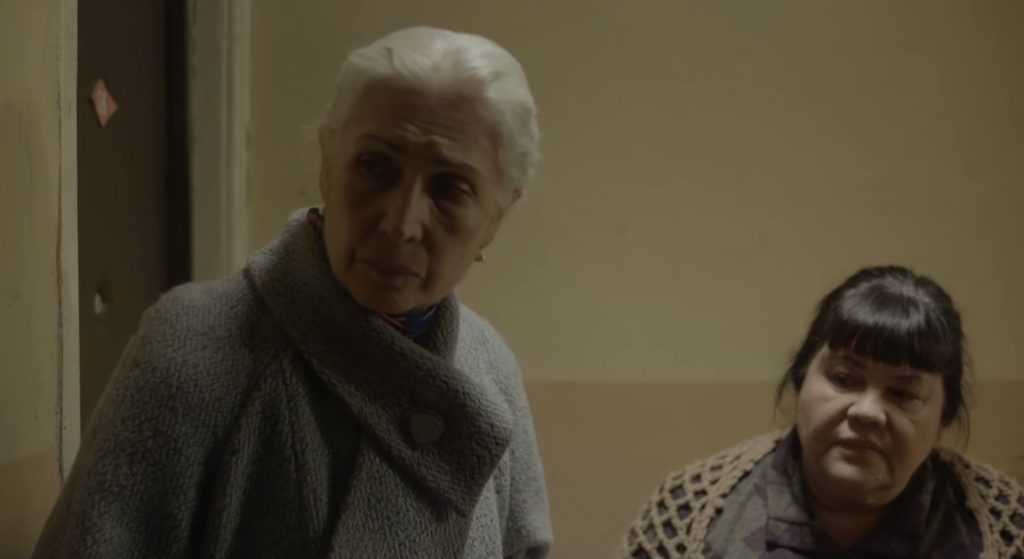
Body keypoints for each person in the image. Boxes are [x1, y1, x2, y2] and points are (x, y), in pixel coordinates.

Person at [35, 27, 551, 559]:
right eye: (375, 166)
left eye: (449, 189)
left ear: (495, 219)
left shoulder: (490, 367)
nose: (399, 224)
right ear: (328, 162)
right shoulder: (192, 346)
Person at [621, 265, 1024, 558]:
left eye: (903, 394)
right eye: (844, 379)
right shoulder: (688, 514)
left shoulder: (1007, 529)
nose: (868, 412)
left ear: (943, 418)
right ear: (801, 379)